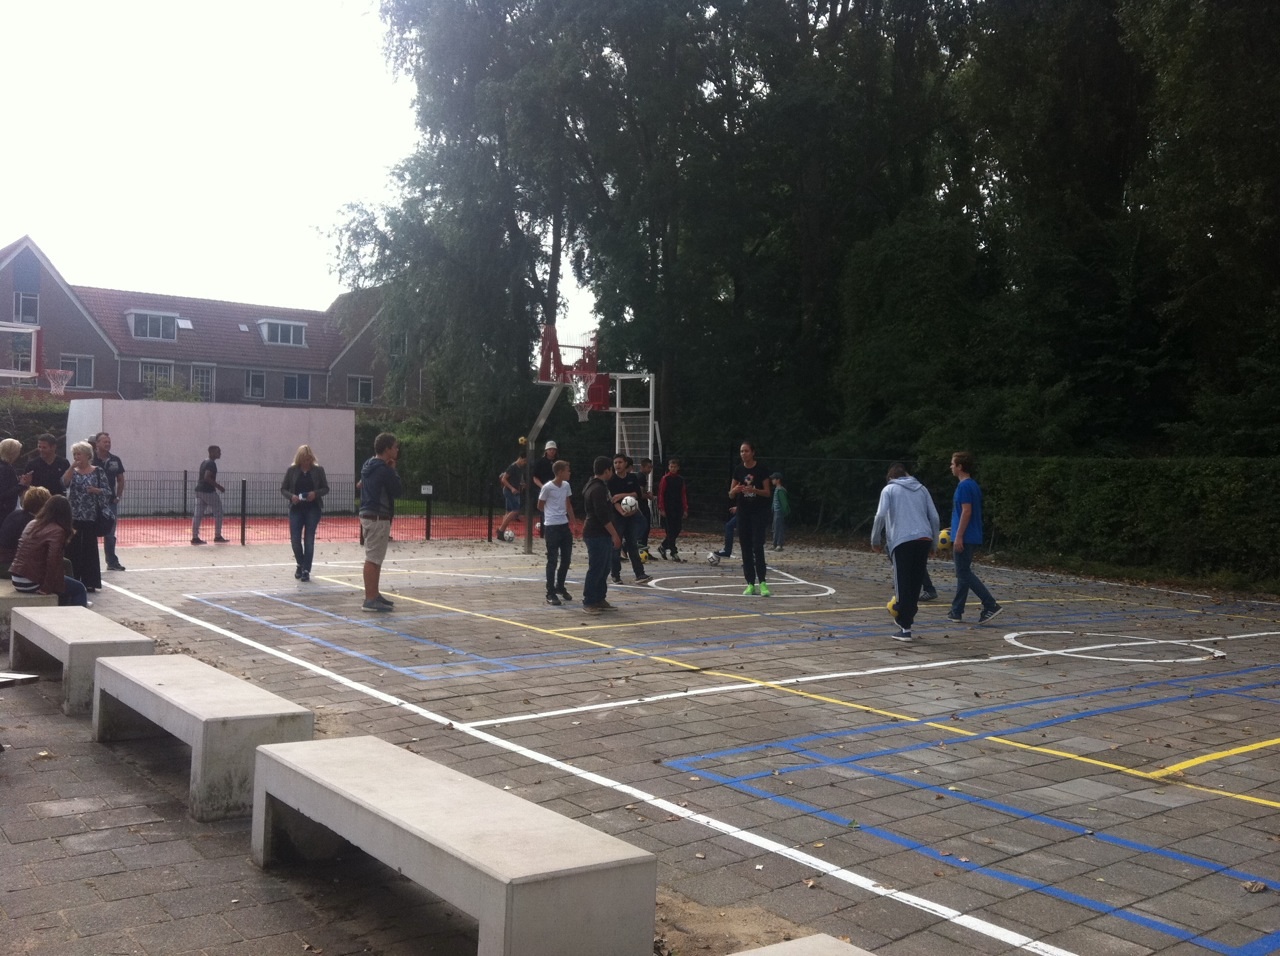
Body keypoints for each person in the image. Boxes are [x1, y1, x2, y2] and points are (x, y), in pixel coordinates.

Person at [871, 463, 940, 641]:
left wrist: (875, 539)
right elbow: (934, 517)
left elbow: (880, 515)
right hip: (923, 538)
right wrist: (934, 543)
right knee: (916, 581)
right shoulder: (922, 489)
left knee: (902, 580)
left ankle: (904, 624)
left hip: (902, 540)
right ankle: (908, 620)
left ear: (891, 477)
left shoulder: (889, 490)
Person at [948, 451, 1003, 625]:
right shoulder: (973, 485)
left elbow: (967, 511)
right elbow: (963, 513)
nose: (951, 466)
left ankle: (990, 604)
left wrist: (959, 536)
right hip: (968, 533)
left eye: (953, 463)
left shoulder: (964, 486)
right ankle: (956, 611)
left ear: (960, 467)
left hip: (965, 536)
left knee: (963, 572)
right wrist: (954, 528)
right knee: (963, 572)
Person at [10, 495, 88, 607]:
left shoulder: (32, 523)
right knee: (79, 589)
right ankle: (76, 621)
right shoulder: (57, 530)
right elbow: (53, 561)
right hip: (32, 581)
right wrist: (47, 587)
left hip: (17, 578)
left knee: (64, 583)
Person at [359, 432, 402, 612]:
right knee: (373, 559)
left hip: (368, 514)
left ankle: (374, 594)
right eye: (394, 447)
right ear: (386, 449)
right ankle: (370, 598)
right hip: (378, 516)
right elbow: (397, 490)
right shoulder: (384, 470)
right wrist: (393, 470)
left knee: (376, 558)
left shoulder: (368, 465)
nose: (397, 449)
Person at [62, 441, 108, 594]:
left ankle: (90, 581)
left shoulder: (98, 471)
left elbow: (107, 491)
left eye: (79, 454)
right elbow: (64, 483)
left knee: (89, 548)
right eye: (75, 454)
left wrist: (96, 490)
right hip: (74, 514)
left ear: (88, 455)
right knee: (72, 547)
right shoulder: (73, 471)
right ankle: (72, 579)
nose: (76, 457)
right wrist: (71, 467)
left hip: (90, 515)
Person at [281, 444, 329, 583]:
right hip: (296, 508)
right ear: (299, 459)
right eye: (303, 460)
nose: (306, 463)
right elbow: (283, 488)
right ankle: (300, 564)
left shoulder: (318, 470)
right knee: (295, 540)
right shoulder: (292, 471)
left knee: (309, 539)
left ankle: (306, 570)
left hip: (313, 508)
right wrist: (292, 497)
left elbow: (326, 488)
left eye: (308, 460)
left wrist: (315, 493)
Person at [581, 456, 622, 613]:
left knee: (605, 567)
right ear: (607, 470)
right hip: (596, 533)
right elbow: (602, 515)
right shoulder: (598, 489)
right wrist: (615, 534)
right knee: (597, 568)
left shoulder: (595, 485)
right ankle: (589, 601)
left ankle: (599, 598)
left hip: (599, 533)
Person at [730, 441, 772, 596]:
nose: (743, 454)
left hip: (758, 512)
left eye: (746, 451)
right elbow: (730, 493)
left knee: (757, 546)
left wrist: (754, 490)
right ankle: (750, 582)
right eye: (741, 451)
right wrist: (735, 490)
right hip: (743, 513)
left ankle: (763, 582)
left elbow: (767, 492)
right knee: (745, 547)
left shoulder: (761, 469)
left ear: (753, 452)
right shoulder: (738, 469)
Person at [607, 454, 652, 585]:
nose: (617, 465)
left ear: (626, 463)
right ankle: (615, 574)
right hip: (618, 516)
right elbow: (613, 500)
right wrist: (621, 511)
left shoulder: (632, 477)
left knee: (632, 544)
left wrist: (622, 495)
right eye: (615, 463)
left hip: (631, 514)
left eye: (620, 462)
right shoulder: (612, 480)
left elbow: (637, 494)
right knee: (616, 545)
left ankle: (640, 573)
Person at [538, 459, 575, 605]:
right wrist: (551, 512)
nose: (569, 472)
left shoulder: (566, 485)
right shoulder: (547, 487)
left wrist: (573, 521)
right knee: (552, 559)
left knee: (566, 559)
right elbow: (540, 505)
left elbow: (568, 504)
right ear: (560, 472)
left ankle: (560, 586)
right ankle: (550, 592)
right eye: (567, 470)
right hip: (552, 526)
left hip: (564, 525)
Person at [93, 432, 126, 571]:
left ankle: (112, 561)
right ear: (97, 443)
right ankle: (92, 561)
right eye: (104, 441)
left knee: (110, 533)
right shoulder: (91, 459)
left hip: (110, 501)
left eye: (109, 442)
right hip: (94, 502)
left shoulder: (115, 460)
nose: (107, 444)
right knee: (91, 531)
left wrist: (118, 496)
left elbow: (120, 479)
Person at [0, 486, 51, 573]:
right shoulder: (32, 523)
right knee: (64, 564)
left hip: (5, 561)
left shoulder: (16, 514)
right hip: (9, 565)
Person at [192, 445, 228, 544]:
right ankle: (218, 535)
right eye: (218, 452)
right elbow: (207, 477)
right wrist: (219, 487)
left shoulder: (204, 462)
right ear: (212, 453)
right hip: (208, 491)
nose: (220, 453)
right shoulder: (211, 464)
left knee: (198, 514)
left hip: (199, 490)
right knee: (218, 511)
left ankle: (195, 537)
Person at [657, 458, 689, 561]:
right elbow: (661, 494)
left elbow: (683, 494)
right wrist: (661, 508)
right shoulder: (665, 479)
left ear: (678, 468)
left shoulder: (680, 479)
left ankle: (663, 546)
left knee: (677, 528)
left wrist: (685, 508)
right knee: (670, 530)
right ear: (669, 467)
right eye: (671, 467)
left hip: (677, 507)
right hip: (668, 507)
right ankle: (673, 551)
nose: (673, 469)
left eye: (675, 467)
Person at [21, 434, 69, 498]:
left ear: (54, 447)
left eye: (44, 447)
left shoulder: (63, 463)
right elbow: (25, 487)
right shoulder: (32, 464)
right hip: (38, 501)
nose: (41, 450)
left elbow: (69, 484)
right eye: (39, 447)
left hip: (57, 502)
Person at [497, 451, 527, 539]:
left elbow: (519, 478)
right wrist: (512, 488)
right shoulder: (513, 467)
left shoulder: (520, 467)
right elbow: (503, 479)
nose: (525, 463)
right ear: (520, 458)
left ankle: (502, 532)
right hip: (509, 491)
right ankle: (501, 530)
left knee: (508, 511)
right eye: (524, 461)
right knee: (515, 510)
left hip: (515, 491)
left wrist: (522, 483)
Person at [636, 457, 655, 554]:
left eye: (651, 467)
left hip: (642, 505)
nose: (650, 470)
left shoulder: (643, 477)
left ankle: (643, 549)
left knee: (645, 528)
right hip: (641, 506)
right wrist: (648, 496)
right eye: (648, 467)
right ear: (642, 467)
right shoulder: (641, 477)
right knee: (644, 527)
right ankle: (642, 550)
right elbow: (639, 494)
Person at [0, 438, 23, 515]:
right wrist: (21, 485)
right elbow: (4, 492)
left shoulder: (7, 466)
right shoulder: (5, 469)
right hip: (5, 510)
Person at [770, 472, 790, 552]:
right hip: (776, 511)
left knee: (779, 528)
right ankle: (775, 544)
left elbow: (784, 503)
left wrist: (784, 511)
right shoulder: (776, 490)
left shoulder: (780, 490)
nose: (772, 480)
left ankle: (779, 544)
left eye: (773, 479)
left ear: (778, 480)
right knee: (775, 527)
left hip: (779, 511)